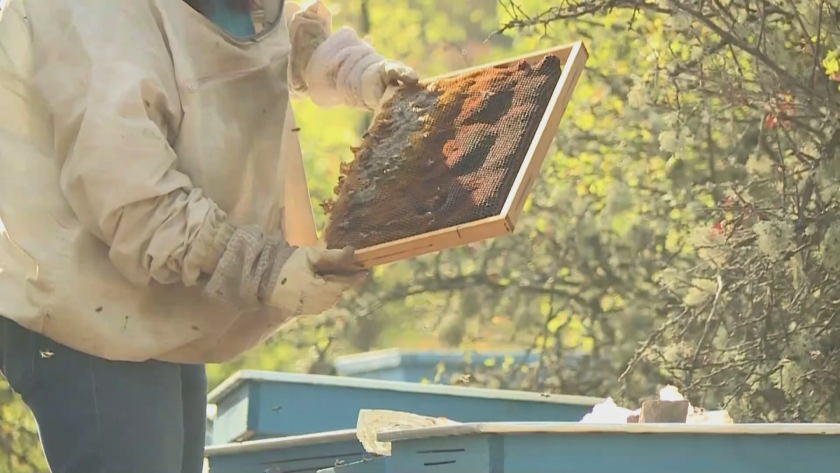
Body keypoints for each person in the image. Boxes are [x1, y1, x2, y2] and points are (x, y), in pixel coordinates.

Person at [0, 0, 418, 472]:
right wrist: (263, 268)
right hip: (88, 320)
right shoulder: (90, 16)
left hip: (158, 301)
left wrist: (340, 67)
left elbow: (243, 34)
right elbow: (138, 204)